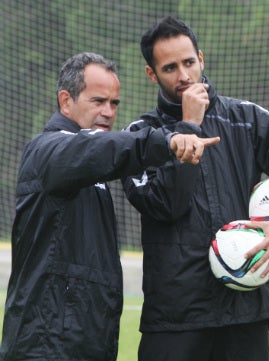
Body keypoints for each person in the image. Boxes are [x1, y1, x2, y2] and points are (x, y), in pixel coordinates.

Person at [121, 16, 269, 361]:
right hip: (176, 319)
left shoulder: (247, 119)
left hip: (245, 312)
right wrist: (188, 125)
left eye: (189, 62)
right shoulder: (140, 135)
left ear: (202, 59)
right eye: (170, 68)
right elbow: (166, 205)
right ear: (152, 74)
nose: (184, 76)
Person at [0, 52, 219, 361]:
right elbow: (104, 148)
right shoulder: (50, 149)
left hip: (86, 342)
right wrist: (168, 138)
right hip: (46, 345)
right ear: (66, 101)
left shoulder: (91, 161)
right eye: (98, 101)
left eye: (114, 103)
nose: (108, 112)